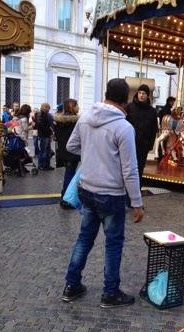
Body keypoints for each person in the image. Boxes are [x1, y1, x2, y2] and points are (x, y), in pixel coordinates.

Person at [62, 78, 144, 306]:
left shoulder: (86, 117)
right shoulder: (123, 127)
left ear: (106, 93)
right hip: (111, 194)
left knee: (84, 238)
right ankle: (110, 292)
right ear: (126, 100)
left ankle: (71, 285)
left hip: (87, 189)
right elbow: (130, 169)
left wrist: (92, 153)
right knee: (113, 243)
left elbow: (71, 146)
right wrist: (137, 203)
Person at [126, 84, 158, 188]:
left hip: (143, 145)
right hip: (129, 143)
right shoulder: (129, 107)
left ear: (147, 95)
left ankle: (136, 192)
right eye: (139, 92)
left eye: (143, 93)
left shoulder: (152, 111)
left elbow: (154, 129)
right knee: (128, 168)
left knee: (139, 169)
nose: (141, 95)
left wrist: (150, 145)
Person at [54, 98, 80, 209]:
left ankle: (65, 197)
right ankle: (66, 199)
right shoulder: (75, 122)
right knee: (70, 174)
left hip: (63, 152)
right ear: (71, 107)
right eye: (76, 105)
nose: (78, 107)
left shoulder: (58, 121)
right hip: (72, 152)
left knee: (68, 173)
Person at [36, 103, 54, 170]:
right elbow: (41, 125)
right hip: (43, 135)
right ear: (44, 107)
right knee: (43, 151)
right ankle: (41, 165)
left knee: (48, 151)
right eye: (48, 108)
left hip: (47, 135)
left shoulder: (46, 114)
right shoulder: (40, 114)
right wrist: (49, 130)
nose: (49, 109)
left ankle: (47, 165)